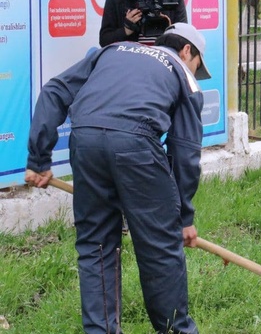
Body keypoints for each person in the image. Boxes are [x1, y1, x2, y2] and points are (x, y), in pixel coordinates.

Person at [25, 22, 211, 334]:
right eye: (197, 65)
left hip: (85, 141)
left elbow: (55, 90)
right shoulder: (182, 75)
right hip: (136, 145)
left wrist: (39, 158)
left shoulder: (109, 52)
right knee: (160, 248)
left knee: (96, 245)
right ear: (187, 51)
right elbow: (184, 151)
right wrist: (181, 218)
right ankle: (176, 330)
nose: (195, 71)